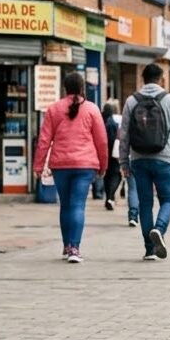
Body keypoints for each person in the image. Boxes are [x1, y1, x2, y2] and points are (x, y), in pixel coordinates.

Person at [32, 72, 108, 263]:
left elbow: (44, 140)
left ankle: (67, 246)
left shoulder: (54, 109)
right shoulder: (92, 109)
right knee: (77, 205)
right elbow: (102, 141)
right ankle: (74, 248)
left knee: (65, 205)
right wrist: (103, 165)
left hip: (61, 165)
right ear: (83, 88)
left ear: (64, 88)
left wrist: (38, 165)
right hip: (85, 165)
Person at [120, 63, 170, 260]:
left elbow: (124, 134)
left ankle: (149, 249)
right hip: (165, 159)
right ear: (162, 79)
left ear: (143, 79)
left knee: (145, 204)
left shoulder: (131, 101)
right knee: (168, 200)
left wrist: (124, 162)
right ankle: (159, 229)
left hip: (138, 159)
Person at [101, 101, 123, 211]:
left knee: (107, 175)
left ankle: (108, 197)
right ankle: (111, 196)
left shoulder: (104, 120)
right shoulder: (120, 119)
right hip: (116, 151)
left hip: (105, 150)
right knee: (116, 175)